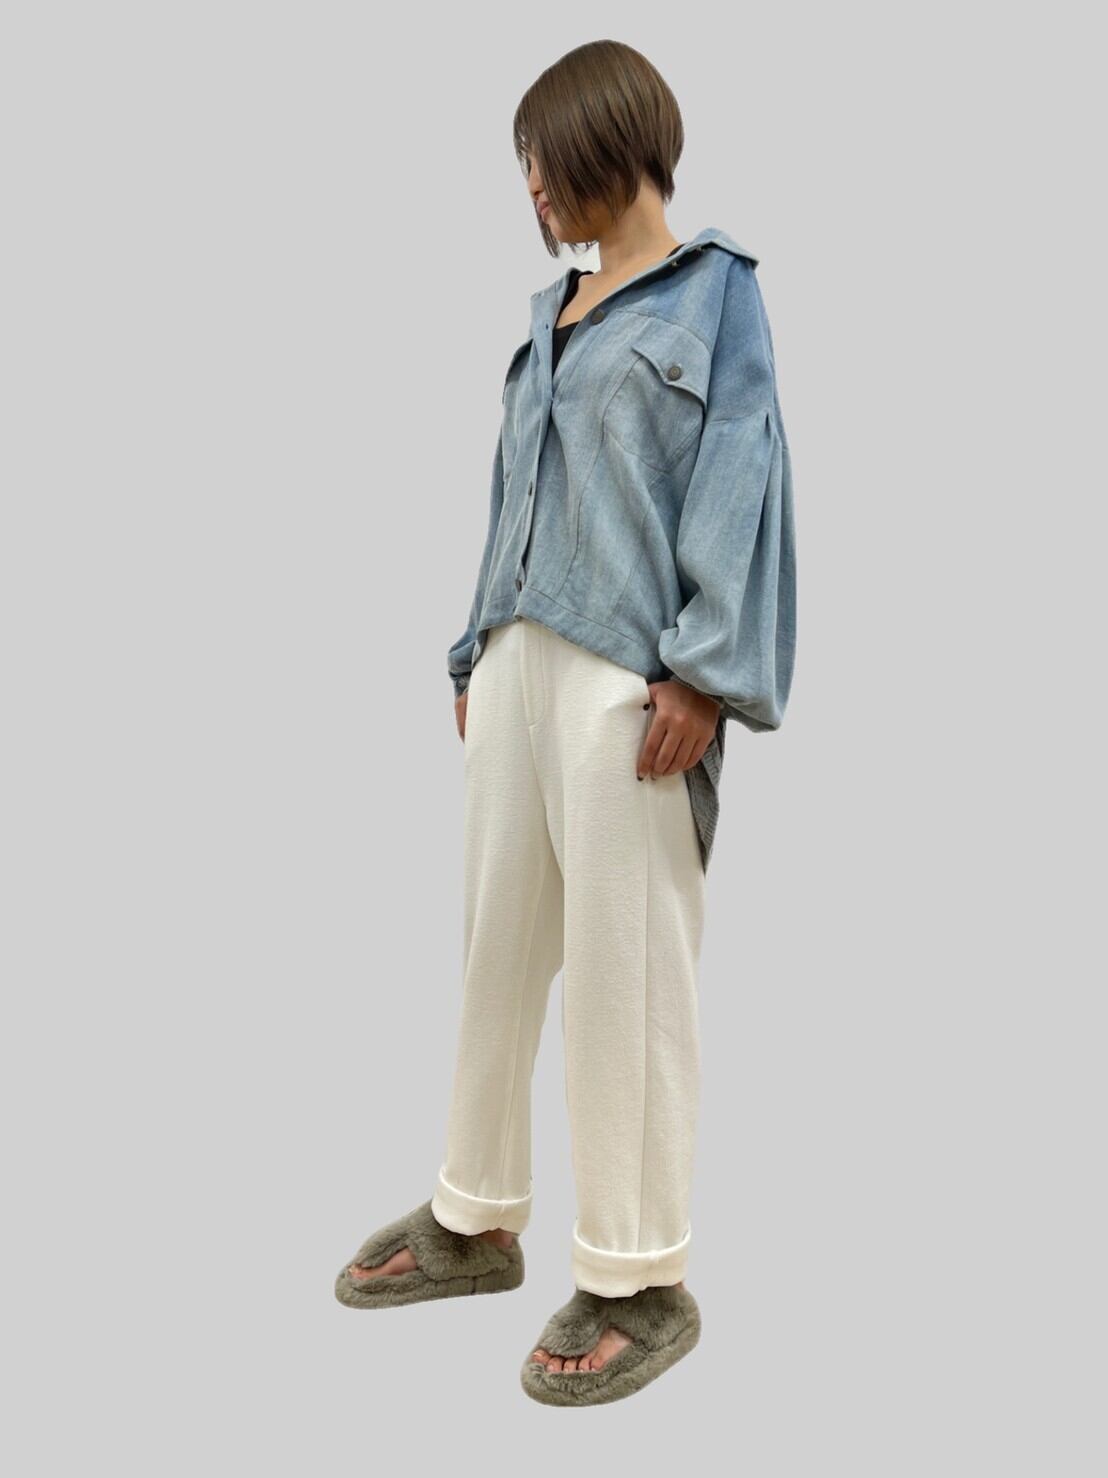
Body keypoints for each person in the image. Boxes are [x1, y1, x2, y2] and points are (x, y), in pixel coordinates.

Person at [334, 39, 797, 1407]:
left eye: (543, 165)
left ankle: (641, 1275)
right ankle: (474, 1216)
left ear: (609, 141)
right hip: (516, 666)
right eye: (526, 174)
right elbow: (511, 499)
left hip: (629, 682)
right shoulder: (552, 313)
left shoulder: (716, 295)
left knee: (623, 974)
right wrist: (473, 647)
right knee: (498, 952)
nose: (531, 193)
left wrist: (704, 671)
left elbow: (745, 476)